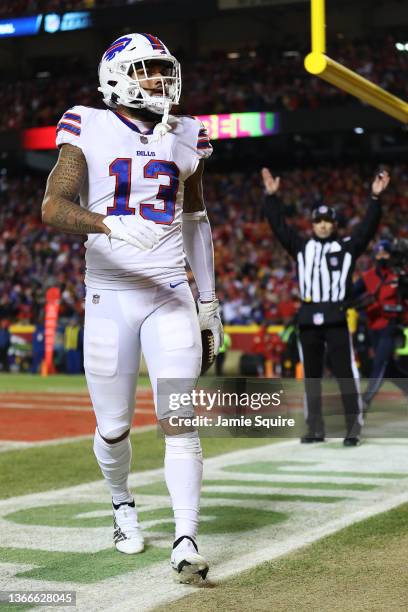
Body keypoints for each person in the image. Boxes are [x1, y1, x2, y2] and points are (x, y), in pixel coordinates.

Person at [42, 33, 223, 583]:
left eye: (163, 70)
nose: (159, 81)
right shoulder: (87, 124)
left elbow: (196, 222)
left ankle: (186, 538)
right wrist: (106, 223)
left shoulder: (186, 133)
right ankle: (122, 505)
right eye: (146, 70)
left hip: (170, 293)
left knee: (180, 421)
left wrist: (209, 301)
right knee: (115, 427)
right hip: (109, 293)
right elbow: (53, 206)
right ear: (118, 75)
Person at [261, 167, 390, 446]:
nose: (322, 225)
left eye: (326, 221)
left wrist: (375, 199)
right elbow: (279, 227)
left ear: (334, 224)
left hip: (336, 316)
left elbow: (367, 228)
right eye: (318, 221)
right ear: (312, 224)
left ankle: (353, 426)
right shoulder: (301, 246)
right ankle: (315, 428)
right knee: (312, 378)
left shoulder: (346, 247)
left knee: (345, 374)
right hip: (308, 318)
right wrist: (271, 197)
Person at [354, 239, 408, 410]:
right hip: (373, 326)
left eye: (385, 253)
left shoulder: (399, 275)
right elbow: (350, 293)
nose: (382, 256)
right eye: (379, 253)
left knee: (380, 363)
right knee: (389, 368)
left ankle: (365, 401)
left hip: (391, 326)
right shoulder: (368, 276)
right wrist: (359, 305)